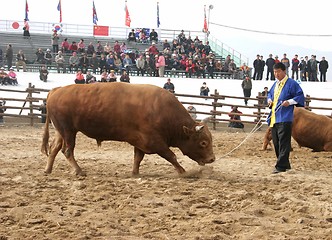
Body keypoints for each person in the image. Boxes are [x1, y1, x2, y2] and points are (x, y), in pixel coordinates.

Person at [267, 62, 305, 174]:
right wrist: (269, 100)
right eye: (274, 72)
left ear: (284, 71)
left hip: (285, 117)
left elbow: (300, 95)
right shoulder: (275, 84)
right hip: (275, 117)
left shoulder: (291, 83)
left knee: (284, 142)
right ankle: (284, 163)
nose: (276, 74)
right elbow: (269, 94)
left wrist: (289, 102)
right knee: (276, 142)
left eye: (278, 71)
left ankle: (281, 166)